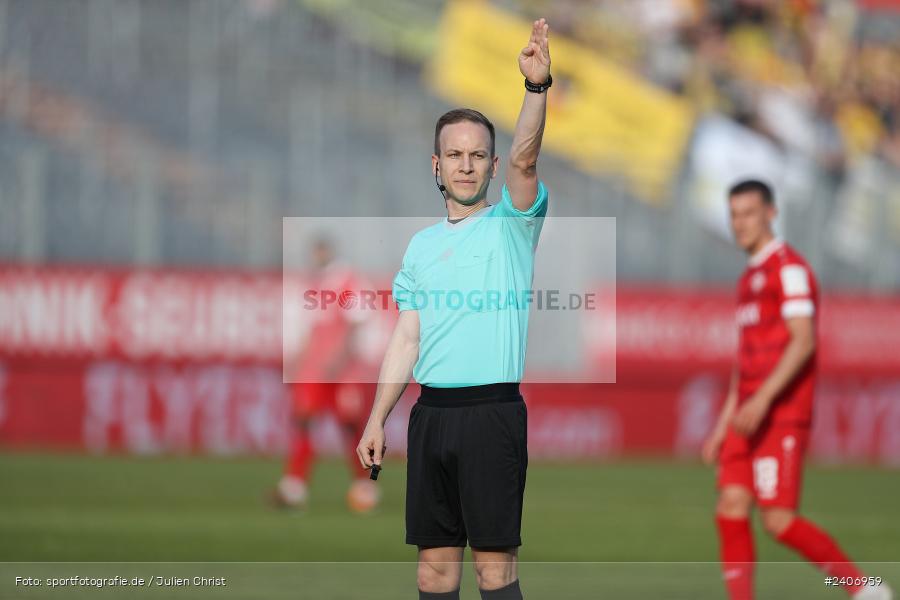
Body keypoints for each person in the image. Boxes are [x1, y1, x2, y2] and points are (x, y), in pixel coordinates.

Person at [356, 18, 553, 600]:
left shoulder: (512, 225)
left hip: (491, 416)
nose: (467, 165)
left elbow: (525, 159)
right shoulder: (419, 246)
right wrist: (376, 417)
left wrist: (535, 90)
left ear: (491, 167)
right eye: (455, 155)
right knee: (433, 574)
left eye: (478, 156)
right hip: (431, 417)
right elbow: (407, 339)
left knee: (495, 573)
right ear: (436, 165)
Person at [703, 179, 892, 600]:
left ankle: (861, 587)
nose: (740, 224)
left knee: (778, 520)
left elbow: (803, 339)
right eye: (734, 214)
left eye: (749, 213)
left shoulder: (789, 269)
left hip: (780, 412)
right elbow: (745, 359)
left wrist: (765, 398)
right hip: (747, 413)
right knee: (730, 507)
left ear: (771, 213)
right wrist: (722, 424)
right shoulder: (749, 276)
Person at [272, 236, 380, 514]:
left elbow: (358, 322)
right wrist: (298, 362)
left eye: (321, 250)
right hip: (314, 370)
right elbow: (306, 328)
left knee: (350, 426)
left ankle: (364, 484)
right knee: (304, 421)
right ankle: (294, 486)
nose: (317, 255)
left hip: (343, 371)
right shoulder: (311, 284)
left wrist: (339, 357)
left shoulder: (348, 280)